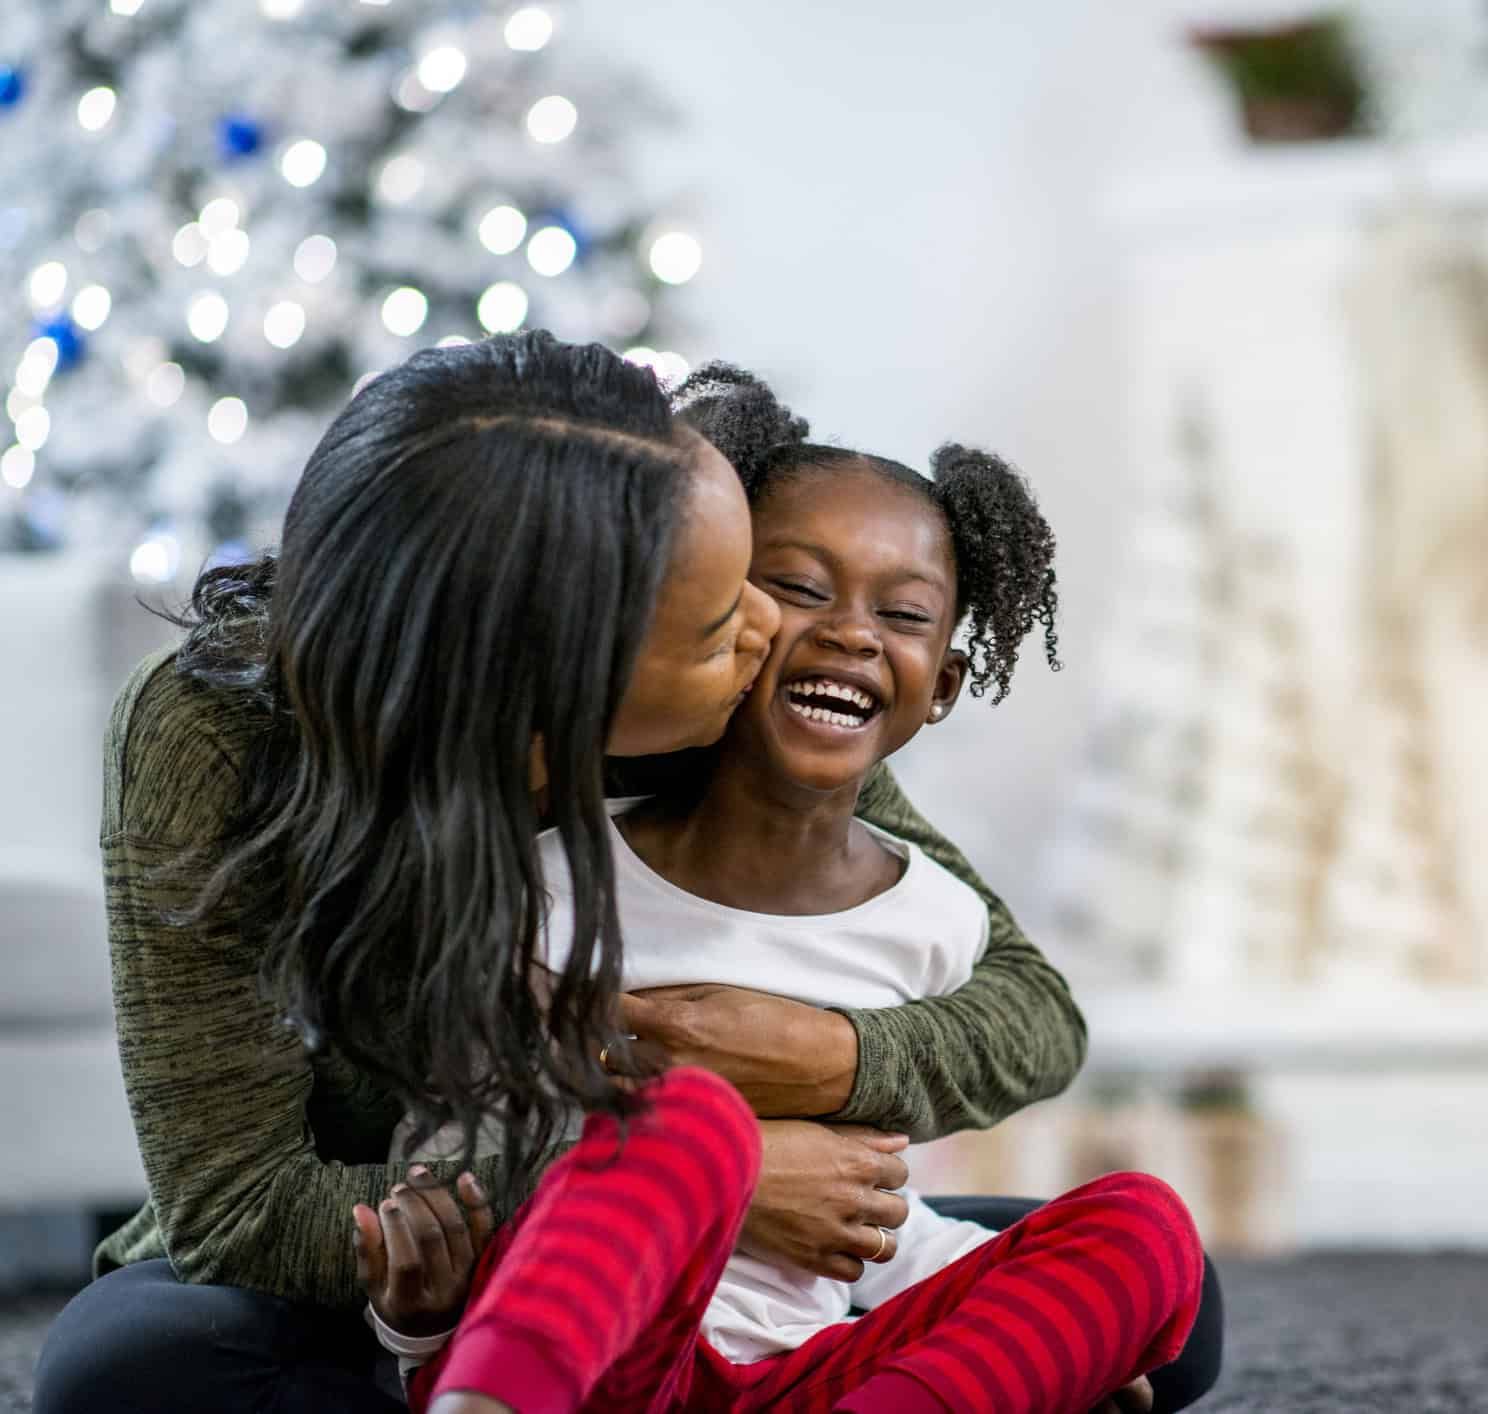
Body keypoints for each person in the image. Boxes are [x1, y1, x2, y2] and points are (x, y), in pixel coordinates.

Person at [30, 333, 1100, 1414]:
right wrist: (707, 1188)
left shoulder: (738, 709)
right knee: (125, 1364)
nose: (782, 632)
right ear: (566, 672)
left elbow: (1031, 1012)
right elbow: (245, 1211)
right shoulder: (212, 733)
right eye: (730, 610)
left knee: (1160, 1292)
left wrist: (824, 1055)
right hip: (416, 1259)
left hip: (749, 1283)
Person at [387, 370, 1206, 1414]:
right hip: (607, 1367)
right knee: (688, 1120)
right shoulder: (556, 881)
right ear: (716, 619)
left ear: (944, 683)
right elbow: (455, 1150)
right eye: (801, 589)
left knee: (1147, 1231)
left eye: (902, 612)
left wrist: (1035, 1323)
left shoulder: (937, 919)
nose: (852, 633)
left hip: (811, 1376)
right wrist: (724, 1176)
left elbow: (884, 1211)